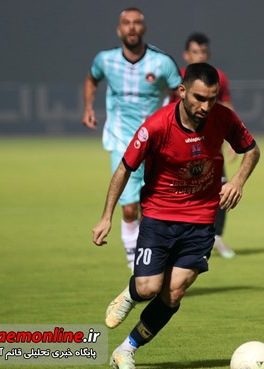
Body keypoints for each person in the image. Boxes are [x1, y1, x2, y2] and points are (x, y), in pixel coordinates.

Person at [92, 63, 261, 369]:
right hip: (159, 216)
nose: (206, 106)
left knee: (173, 293)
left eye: (212, 98)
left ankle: (125, 350)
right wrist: (106, 217)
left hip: (201, 220)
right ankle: (131, 293)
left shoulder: (223, 118)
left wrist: (237, 181)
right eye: (199, 98)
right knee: (148, 288)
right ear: (182, 91)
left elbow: (252, 150)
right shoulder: (157, 126)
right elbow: (125, 168)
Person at [82, 7, 182, 271]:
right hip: (121, 142)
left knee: (157, 207)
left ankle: (160, 257)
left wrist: (176, 122)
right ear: (119, 30)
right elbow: (92, 79)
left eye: (137, 22)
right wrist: (88, 107)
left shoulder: (162, 62)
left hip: (157, 145)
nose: (132, 27)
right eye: (127, 23)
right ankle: (135, 266)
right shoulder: (105, 60)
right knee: (129, 210)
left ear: (144, 28)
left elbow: (181, 92)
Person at [180, 32, 237, 259]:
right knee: (183, 191)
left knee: (222, 190)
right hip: (182, 143)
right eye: (195, 52)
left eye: (203, 52)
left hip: (211, 144)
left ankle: (217, 237)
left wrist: (234, 138)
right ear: (186, 55)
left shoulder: (218, 77)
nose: (200, 56)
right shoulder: (178, 77)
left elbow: (226, 105)